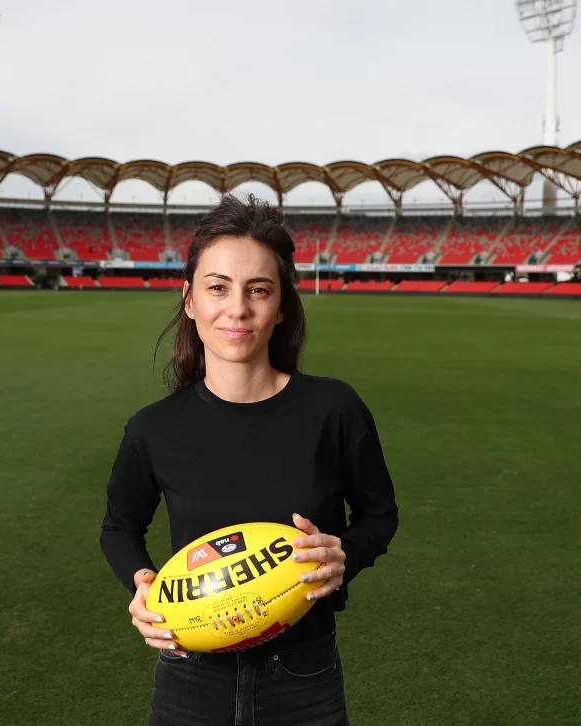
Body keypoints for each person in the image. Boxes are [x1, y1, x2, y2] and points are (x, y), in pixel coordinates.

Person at [99, 194, 399, 726]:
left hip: (303, 677)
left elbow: (379, 514)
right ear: (190, 300)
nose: (237, 308)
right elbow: (119, 526)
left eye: (258, 289)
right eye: (218, 287)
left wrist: (345, 555)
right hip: (189, 678)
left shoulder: (333, 408)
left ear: (281, 306)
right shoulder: (152, 428)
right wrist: (142, 583)